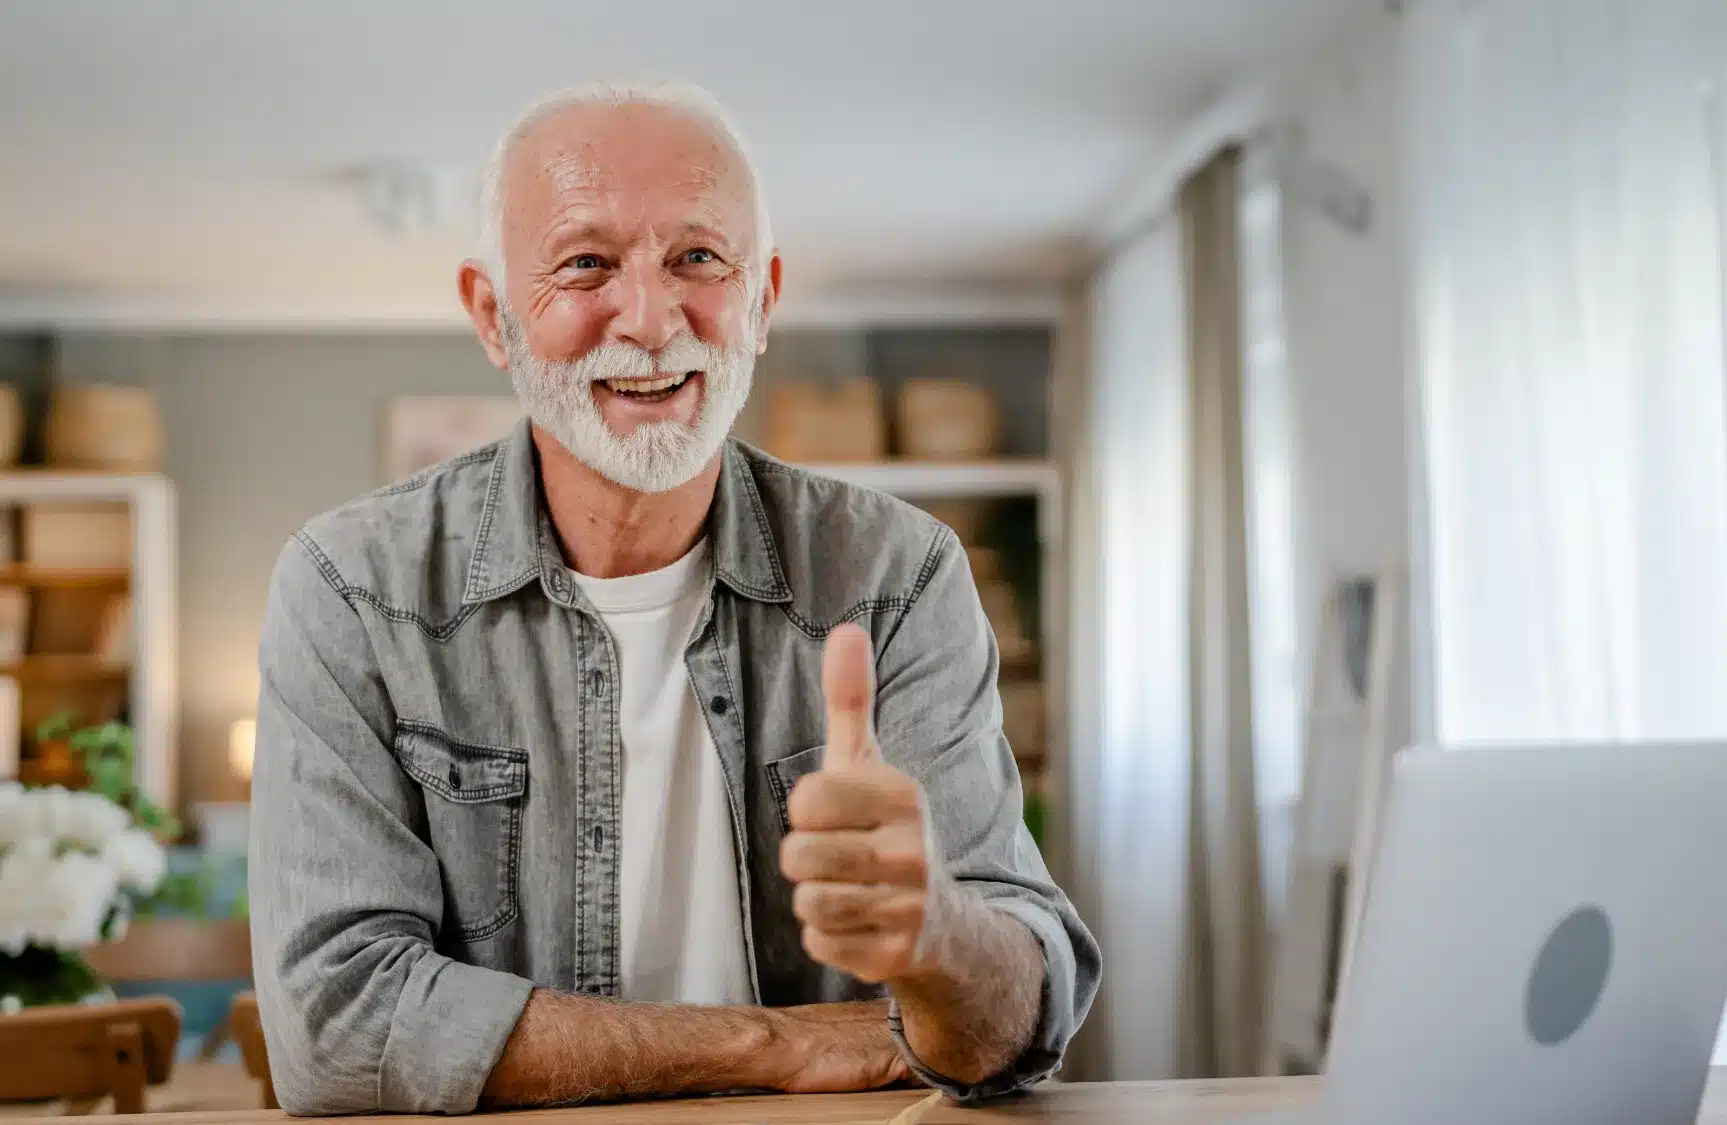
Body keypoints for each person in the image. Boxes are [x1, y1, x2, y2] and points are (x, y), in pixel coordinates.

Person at [247, 81, 1098, 1115]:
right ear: (493, 316)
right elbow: (334, 1030)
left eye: (697, 258)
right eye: (585, 264)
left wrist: (938, 935)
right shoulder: (350, 589)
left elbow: (1016, 1027)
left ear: (763, 299)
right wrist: (769, 1044)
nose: (650, 321)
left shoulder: (897, 574)